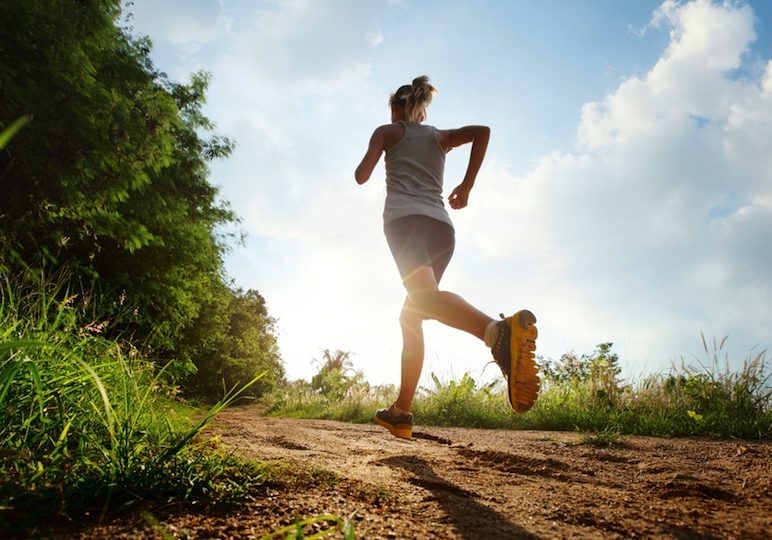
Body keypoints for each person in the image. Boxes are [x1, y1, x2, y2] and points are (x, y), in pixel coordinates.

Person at [355, 75, 539, 440]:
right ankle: (402, 411)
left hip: (405, 223)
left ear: (396, 111)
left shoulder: (387, 132)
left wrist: (380, 146)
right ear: (422, 113)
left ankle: (497, 332)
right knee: (413, 313)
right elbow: (482, 131)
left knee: (422, 301)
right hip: (441, 228)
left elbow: (362, 176)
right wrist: (466, 185)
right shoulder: (439, 137)